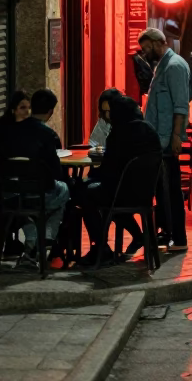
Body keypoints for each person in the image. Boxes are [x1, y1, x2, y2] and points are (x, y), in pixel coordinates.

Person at [75, 93, 162, 266]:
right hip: (144, 194)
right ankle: (136, 237)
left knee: (84, 194)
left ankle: (100, 248)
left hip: (120, 193)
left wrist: (90, 178)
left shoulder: (119, 134)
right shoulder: (150, 131)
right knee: (97, 193)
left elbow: (108, 170)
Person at [0, 87, 69, 261]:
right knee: (64, 191)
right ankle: (46, 238)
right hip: (37, 194)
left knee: (33, 204)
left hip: (10, 195)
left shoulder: (9, 131)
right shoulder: (47, 134)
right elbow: (56, 171)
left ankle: (32, 242)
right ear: (50, 112)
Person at [139, 27, 190, 251]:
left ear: (157, 42)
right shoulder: (161, 67)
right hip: (159, 141)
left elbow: (180, 106)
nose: (144, 52)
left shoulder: (175, 66)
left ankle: (179, 238)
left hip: (167, 140)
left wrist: (176, 136)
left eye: (146, 47)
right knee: (163, 191)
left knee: (171, 190)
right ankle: (167, 233)